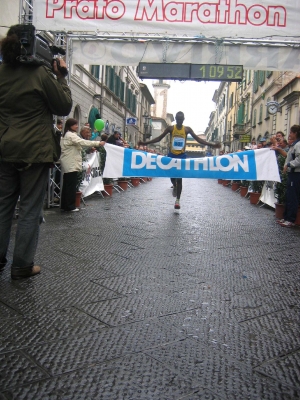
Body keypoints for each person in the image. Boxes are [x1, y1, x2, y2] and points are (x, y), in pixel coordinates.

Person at [0, 24, 72, 280]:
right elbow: (63, 106)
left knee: (3, 206)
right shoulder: (41, 75)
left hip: (5, 148)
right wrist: (61, 76)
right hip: (35, 151)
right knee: (30, 209)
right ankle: (21, 266)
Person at [138, 111, 220, 209]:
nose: (180, 122)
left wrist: (212, 145)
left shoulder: (187, 129)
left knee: (179, 179)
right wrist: (144, 143)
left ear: (183, 120)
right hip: (172, 155)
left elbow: (198, 140)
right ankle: (174, 185)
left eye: (181, 120)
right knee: (172, 177)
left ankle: (177, 201)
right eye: (178, 120)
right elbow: (159, 138)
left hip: (181, 156)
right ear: (176, 120)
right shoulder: (171, 128)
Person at [60, 119, 105, 212]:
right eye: (75, 124)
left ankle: (65, 205)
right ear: (70, 126)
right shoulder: (71, 135)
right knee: (70, 185)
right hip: (71, 162)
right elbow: (83, 142)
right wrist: (98, 143)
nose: (77, 126)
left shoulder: (68, 135)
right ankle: (69, 206)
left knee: (67, 185)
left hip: (70, 162)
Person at [279, 125, 300, 227]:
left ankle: (290, 219)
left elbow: (299, 159)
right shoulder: (294, 145)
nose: (289, 134)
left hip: (296, 174)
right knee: (289, 196)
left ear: (295, 133)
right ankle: (286, 217)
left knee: (292, 197)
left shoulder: (298, 145)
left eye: (291, 132)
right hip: (292, 173)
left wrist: (288, 165)